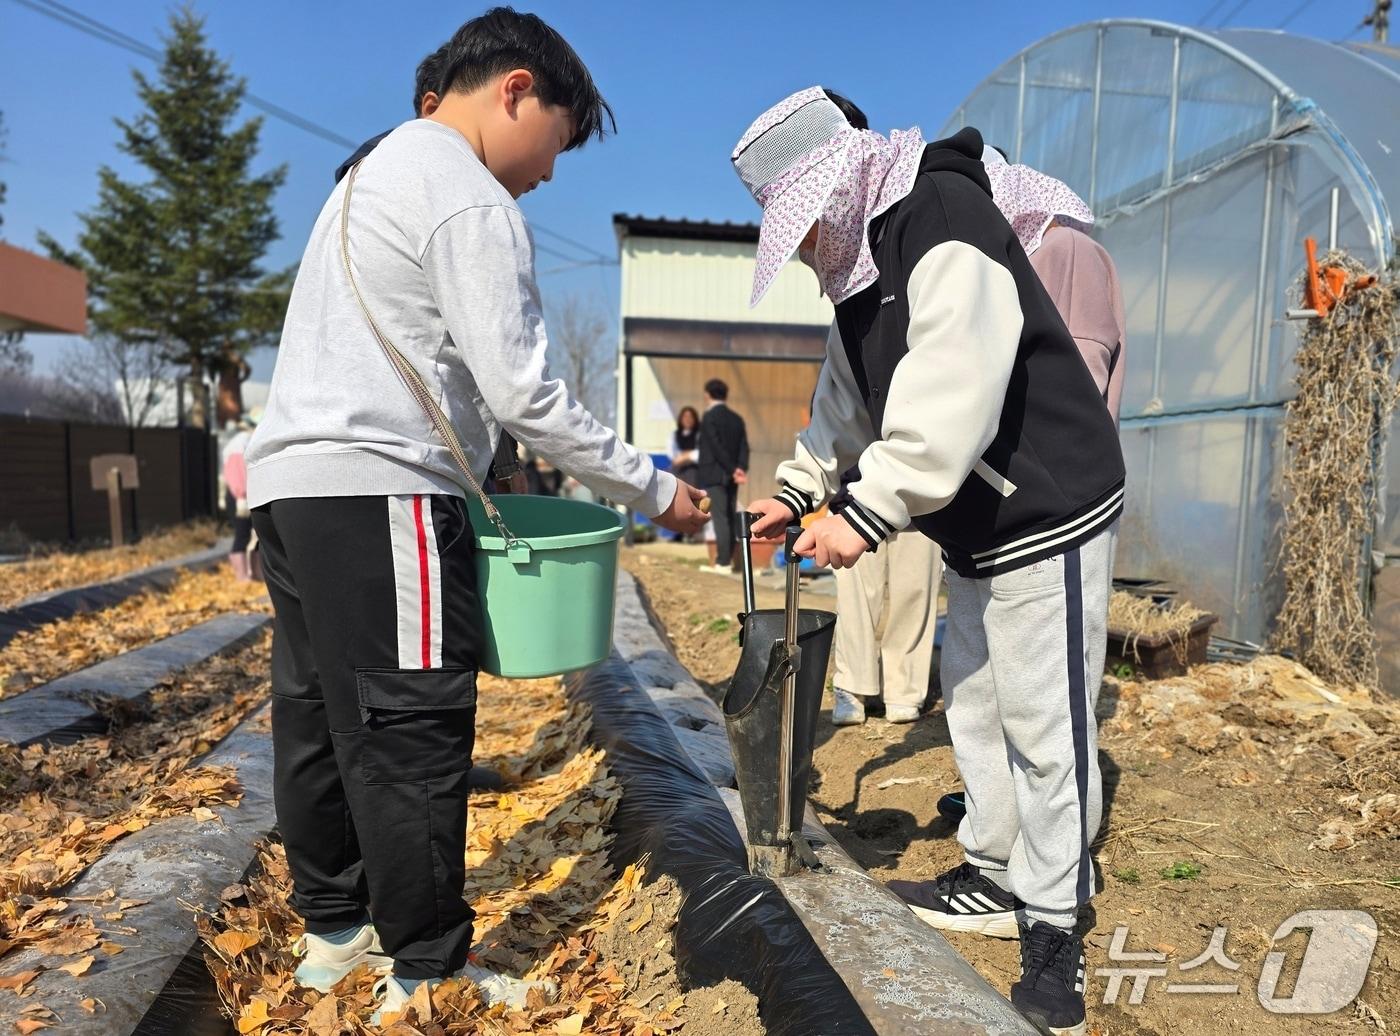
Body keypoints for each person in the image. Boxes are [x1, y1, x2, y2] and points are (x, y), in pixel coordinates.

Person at [245, 9, 707, 1023]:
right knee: (409, 726)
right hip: (384, 487)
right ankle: (428, 971)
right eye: (558, 136)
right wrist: (655, 489)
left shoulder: (367, 177)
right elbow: (524, 393)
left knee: (323, 715)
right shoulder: (465, 194)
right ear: (514, 89)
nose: (547, 171)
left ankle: (332, 933)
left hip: (292, 492)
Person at [733, 88, 1124, 1036]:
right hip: (978, 526)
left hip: (1048, 505)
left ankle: (1055, 917)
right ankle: (994, 871)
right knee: (980, 707)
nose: (811, 245)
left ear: (847, 179)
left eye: (811, 218)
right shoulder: (864, 271)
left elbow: (955, 384)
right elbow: (847, 397)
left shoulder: (942, 219)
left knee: (1046, 717)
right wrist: (796, 489)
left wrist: (866, 511)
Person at [937, 146, 1127, 824]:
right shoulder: (997, 255)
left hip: (1051, 510)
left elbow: (1071, 385)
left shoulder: (1061, 251)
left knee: (1044, 696)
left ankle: (1052, 868)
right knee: (984, 686)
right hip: (995, 503)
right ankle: (1000, 828)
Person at [816, 95, 942, 730]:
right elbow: (832, 409)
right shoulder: (848, 302)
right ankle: (853, 687)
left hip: (918, 478)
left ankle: (902, 695)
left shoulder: (925, 247)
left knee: (915, 588)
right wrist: (798, 490)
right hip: (860, 478)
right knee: (858, 583)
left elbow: (946, 388)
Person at [696, 379, 749, 574]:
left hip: (716, 474)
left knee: (720, 518)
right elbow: (744, 446)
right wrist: (740, 468)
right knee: (728, 515)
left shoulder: (710, 417)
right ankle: (729, 561)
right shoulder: (737, 418)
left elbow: (716, 447)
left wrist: (732, 469)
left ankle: (723, 563)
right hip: (733, 477)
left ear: (708, 394)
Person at [221, 415, 256, 580]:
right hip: (240, 496)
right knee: (242, 534)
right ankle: (242, 576)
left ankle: (255, 574)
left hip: (242, 493)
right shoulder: (241, 442)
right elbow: (237, 473)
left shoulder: (241, 441)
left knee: (251, 535)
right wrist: (242, 496)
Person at [668, 405, 701, 488]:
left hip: (694, 471)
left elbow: (700, 454)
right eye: (685, 416)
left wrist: (686, 456)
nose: (687, 419)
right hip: (677, 469)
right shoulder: (674, 435)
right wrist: (688, 454)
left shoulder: (699, 435)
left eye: (690, 417)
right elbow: (672, 454)